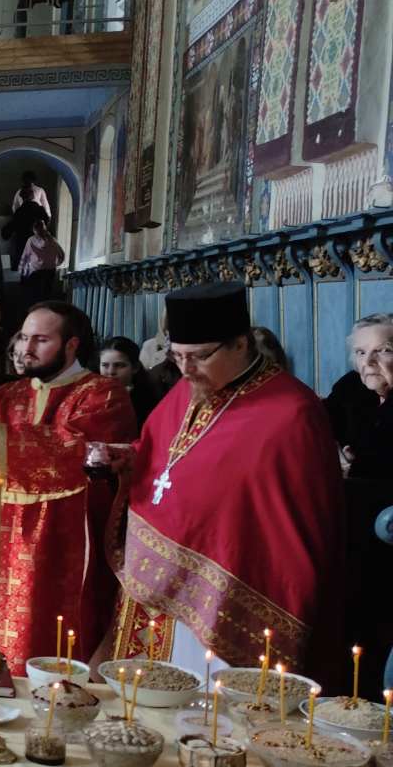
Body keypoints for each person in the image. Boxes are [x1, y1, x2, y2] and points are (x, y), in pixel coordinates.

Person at [102, 283, 344, 680]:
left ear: (240, 344)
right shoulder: (188, 389)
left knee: (209, 701)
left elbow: (298, 519)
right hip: (152, 584)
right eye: (177, 355)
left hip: (231, 581)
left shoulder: (293, 411)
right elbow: (160, 452)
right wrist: (128, 458)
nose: (186, 369)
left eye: (199, 356)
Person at [0, 301, 136, 673]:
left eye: (40, 340)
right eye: (24, 338)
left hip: (64, 542)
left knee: (54, 637)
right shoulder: (7, 396)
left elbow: (80, 454)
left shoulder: (103, 394)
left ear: (71, 344)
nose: (26, 349)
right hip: (5, 537)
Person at [329, 315, 393, 687]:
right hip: (349, 530)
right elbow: (317, 428)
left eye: (383, 350)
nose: (369, 361)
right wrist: (332, 453)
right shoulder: (351, 389)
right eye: (360, 352)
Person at [98, 335, 162, 430]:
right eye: (105, 365)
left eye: (119, 365)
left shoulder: (148, 400)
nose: (111, 372)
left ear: (135, 367)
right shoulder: (90, 395)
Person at [4, 172, 51, 271]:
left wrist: (7, 232)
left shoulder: (20, 211)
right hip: (35, 237)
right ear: (32, 196)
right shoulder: (39, 209)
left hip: (24, 238)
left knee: (24, 261)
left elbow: (14, 210)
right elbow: (47, 215)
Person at [19, 216, 66, 301]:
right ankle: (45, 306)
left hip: (36, 271)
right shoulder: (52, 240)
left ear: (34, 230)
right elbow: (61, 255)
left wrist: (22, 271)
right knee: (47, 293)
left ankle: (37, 306)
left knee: (35, 294)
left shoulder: (31, 240)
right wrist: (56, 264)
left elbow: (25, 256)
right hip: (50, 270)